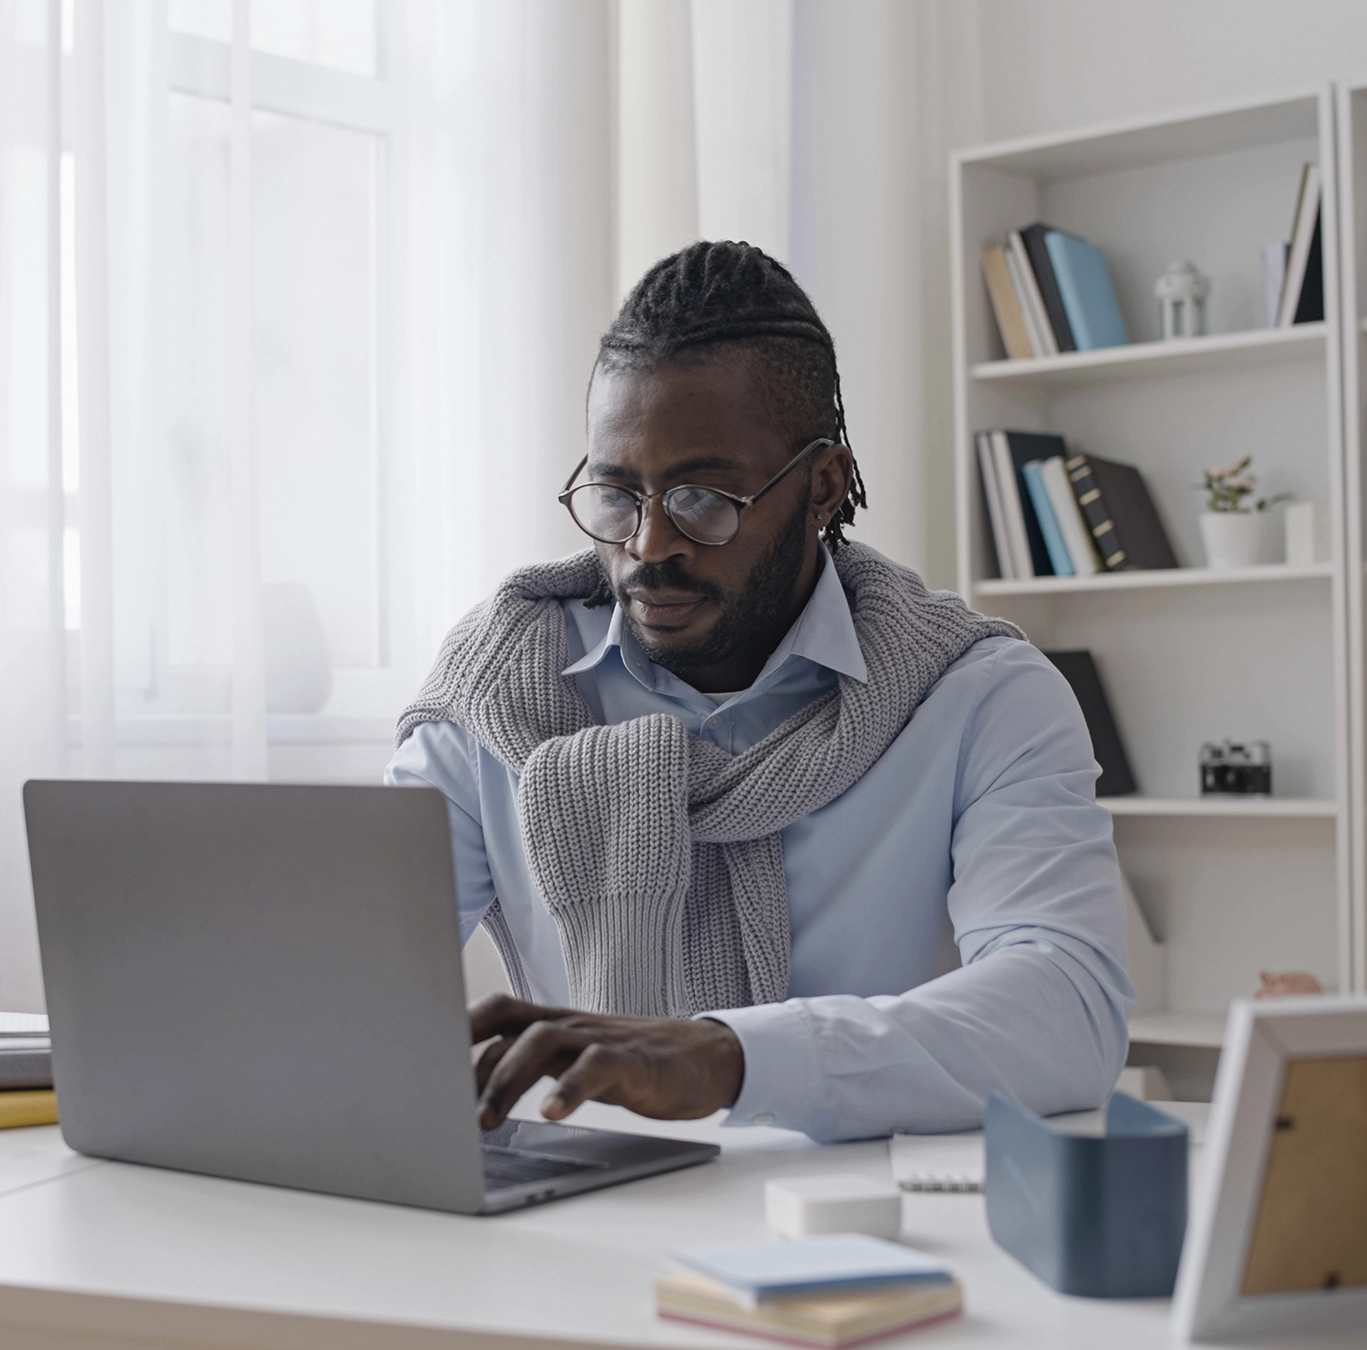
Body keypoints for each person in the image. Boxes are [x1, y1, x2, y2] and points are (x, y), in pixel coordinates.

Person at [385, 241, 1130, 1143]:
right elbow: (354, 979)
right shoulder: (494, 698)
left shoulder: (981, 699)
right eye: (617, 495)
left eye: (704, 498)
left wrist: (728, 1057)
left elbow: (1067, 1010)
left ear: (823, 486)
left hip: (870, 1228)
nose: (650, 544)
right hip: (576, 1219)